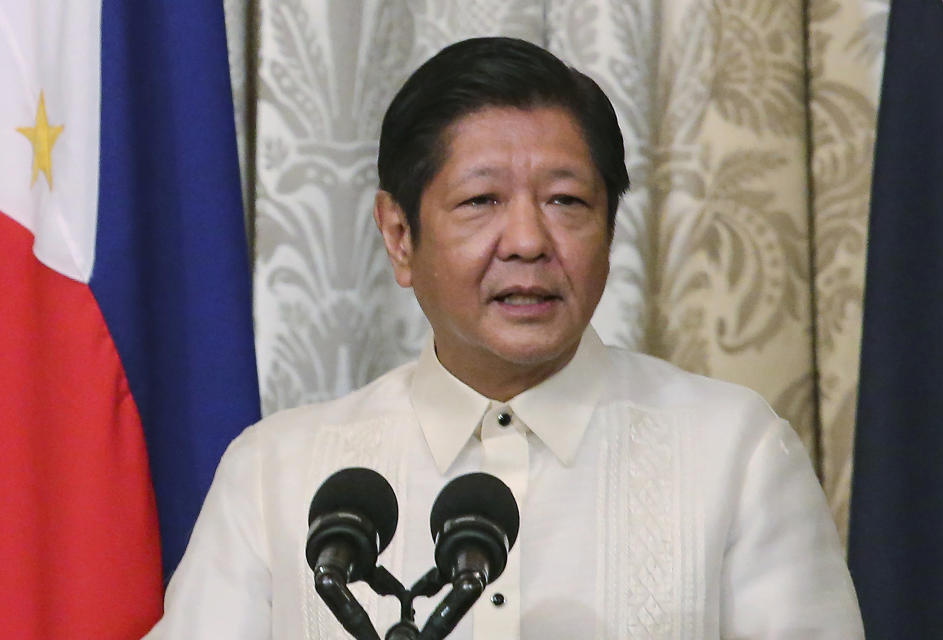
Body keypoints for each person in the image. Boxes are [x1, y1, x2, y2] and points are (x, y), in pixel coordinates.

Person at [144, 37, 864, 639]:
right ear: (399, 236)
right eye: (481, 201)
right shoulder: (277, 475)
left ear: (611, 229)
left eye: (567, 201)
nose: (527, 240)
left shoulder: (734, 455)